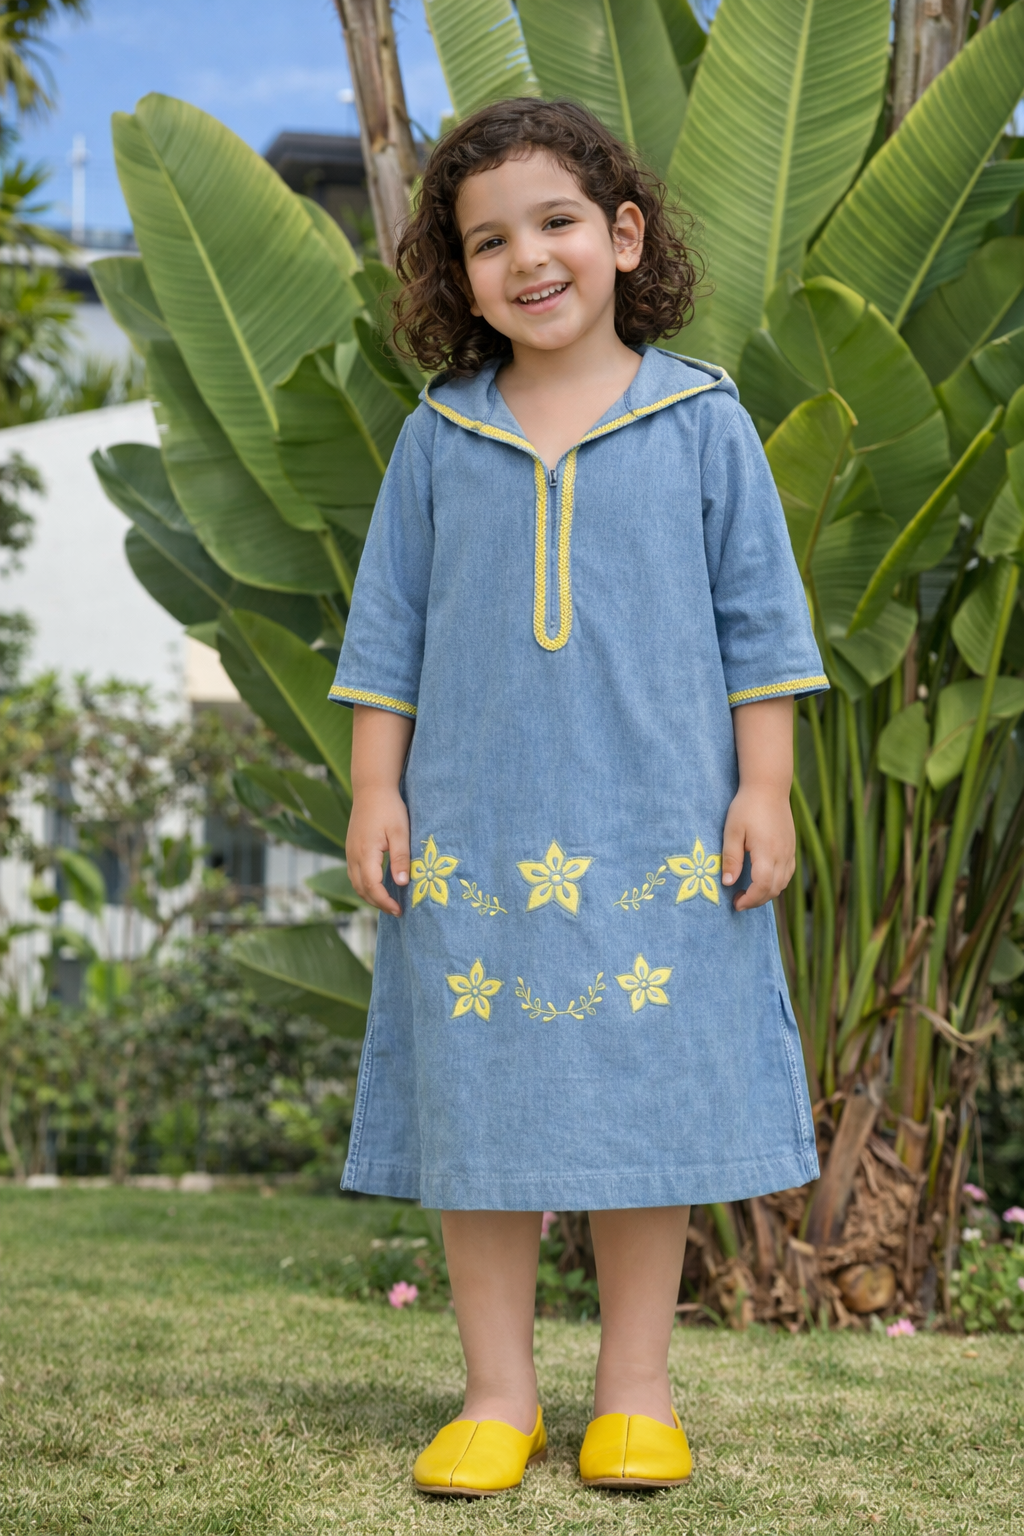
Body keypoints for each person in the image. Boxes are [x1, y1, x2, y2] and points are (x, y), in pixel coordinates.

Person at [330, 97, 827, 1498]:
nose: (527, 259)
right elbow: (387, 635)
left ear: (624, 236)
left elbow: (761, 628)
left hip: (660, 833)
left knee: (639, 1114)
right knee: (478, 1117)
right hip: (472, 842)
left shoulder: (702, 421)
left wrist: (766, 788)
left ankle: (635, 1394)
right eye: (488, 241)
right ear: (458, 275)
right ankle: (497, 1397)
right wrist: (375, 789)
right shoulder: (439, 438)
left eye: (555, 223)